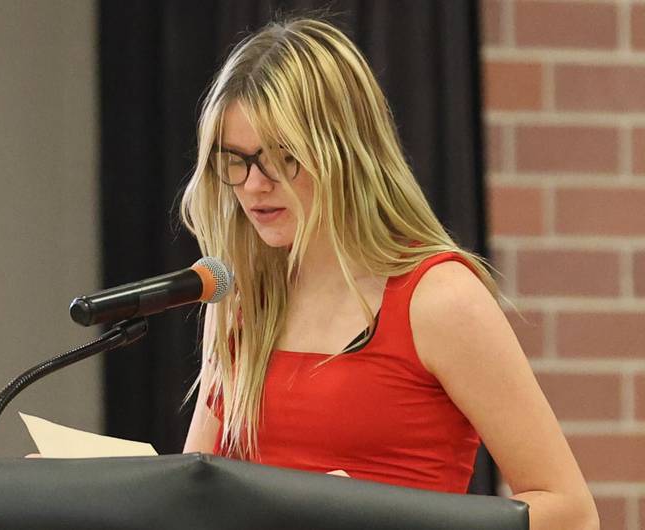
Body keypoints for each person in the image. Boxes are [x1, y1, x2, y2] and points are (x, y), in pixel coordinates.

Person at [179, 17, 598, 530]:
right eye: (235, 161)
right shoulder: (238, 298)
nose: (253, 185)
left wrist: (373, 517)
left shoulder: (439, 297)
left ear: (345, 153)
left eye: (282, 158)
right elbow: (191, 497)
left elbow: (571, 511)